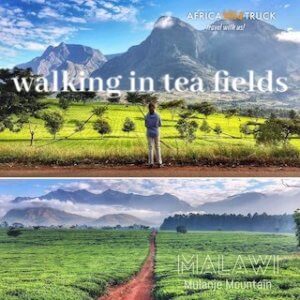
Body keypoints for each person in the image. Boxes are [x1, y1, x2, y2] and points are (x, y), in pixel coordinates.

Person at [145, 102, 162, 167]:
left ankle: (151, 163)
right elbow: (160, 124)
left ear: (148, 108)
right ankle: (159, 163)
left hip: (149, 133)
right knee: (157, 147)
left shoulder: (146, 116)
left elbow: (146, 125)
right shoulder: (158, 115)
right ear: (154, 108)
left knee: (150, 148)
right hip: (156, 133)